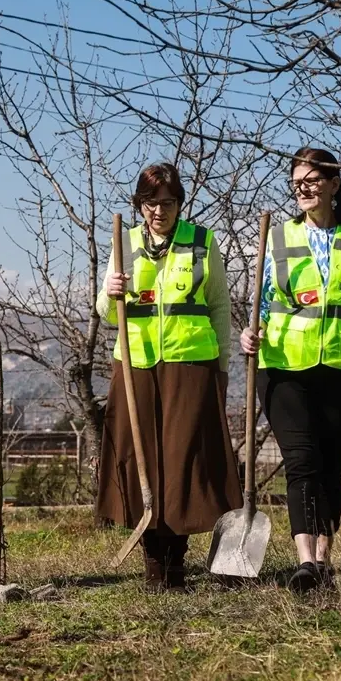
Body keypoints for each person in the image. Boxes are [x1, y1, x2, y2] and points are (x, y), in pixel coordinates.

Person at [241, 147, 341, 592]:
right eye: (296, 183)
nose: (303, 189)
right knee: (301, 461)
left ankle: (324, 560)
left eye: (312, 181)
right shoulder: (277, 236)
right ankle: (305, 561)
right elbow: (262, 302)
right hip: (284, 366)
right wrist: (251, 334)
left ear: (334, 183)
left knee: (330, 464)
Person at [95, 163, 243, 592]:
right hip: (136, 363)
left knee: (181, 462)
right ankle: (152, 561)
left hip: (190, 364)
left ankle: (177, 559)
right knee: (143, 461)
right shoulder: (124, 242)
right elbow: (104, 314)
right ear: (139, 205)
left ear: (180, 204)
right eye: (151, 203)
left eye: (168, 202)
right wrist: (112, 291)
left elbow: (219, 308)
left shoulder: (202, 242)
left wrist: (221, 367)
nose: (160, 211)